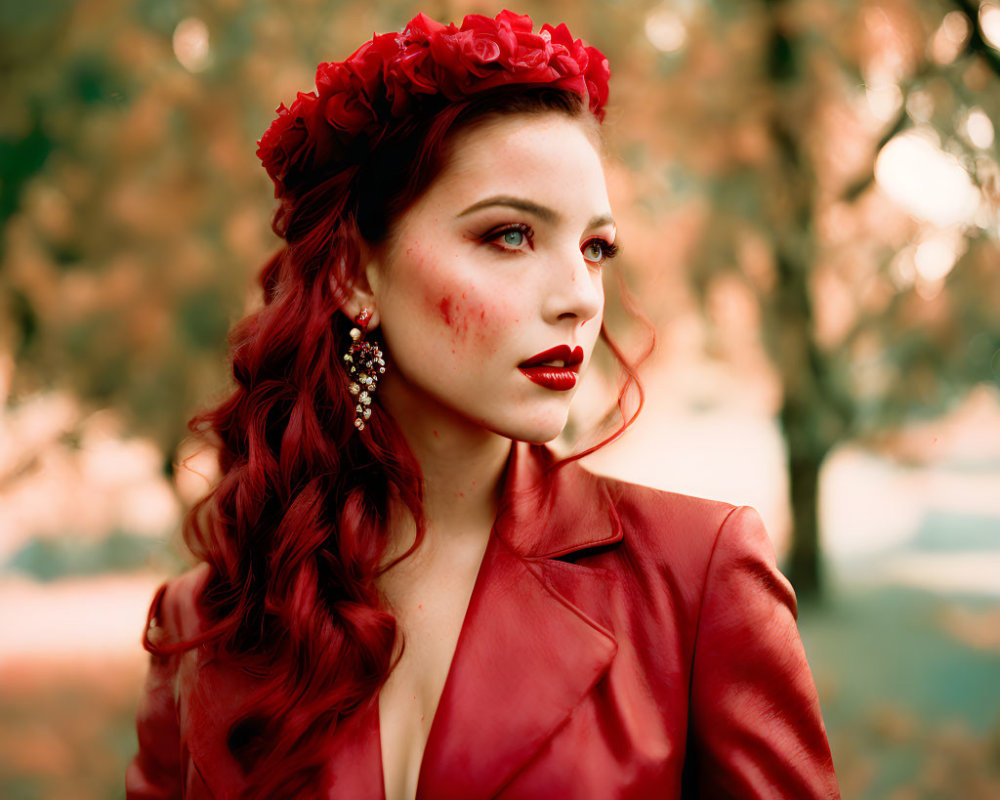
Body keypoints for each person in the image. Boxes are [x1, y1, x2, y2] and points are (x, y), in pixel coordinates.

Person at [126, 10, 840, 800]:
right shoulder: (204, 624)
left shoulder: (700, 581)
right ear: (355, 278)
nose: (578, 297)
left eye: (595, 248)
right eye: (510, 235)